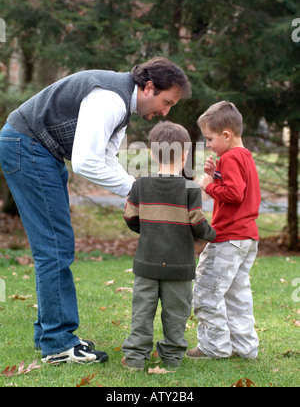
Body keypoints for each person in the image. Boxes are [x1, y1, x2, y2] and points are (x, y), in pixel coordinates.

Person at [0, 58, 191, 364]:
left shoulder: (122, 106)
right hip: (28, 146)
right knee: (55, 247)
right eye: (165, 102)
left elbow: (106, 160)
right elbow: (87, 162)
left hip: (38, 150)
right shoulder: (110, 99)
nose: (164, 112)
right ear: (149, 87)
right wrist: (141, 193)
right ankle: (58, 344)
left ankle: (49, 334)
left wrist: (135, 194)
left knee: (55, 245)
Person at [122, 121, 216, 370]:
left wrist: (150, 230)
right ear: (185, 154)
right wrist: (212, 233)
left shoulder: (140, 185)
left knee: (142, 312)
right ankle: (172, 358)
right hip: (179, 265)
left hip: (146, 263)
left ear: (152, 152)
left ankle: (134, 358)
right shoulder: (190, 188)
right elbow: (198, 224)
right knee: (176, 314)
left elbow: (130, 218)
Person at [186, 101, 261, 360]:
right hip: (247, 237)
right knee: (236, 294)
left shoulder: (229, 157)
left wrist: (208, 184)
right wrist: (216, 174)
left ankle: (214, 347)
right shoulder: (244, 156)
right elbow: (238, 187)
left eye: (210, 139)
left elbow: (234, 194)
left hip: (228, 237)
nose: (208, 144)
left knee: (207, 291)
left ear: (226, 135)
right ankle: (245, 347)